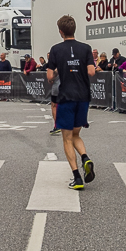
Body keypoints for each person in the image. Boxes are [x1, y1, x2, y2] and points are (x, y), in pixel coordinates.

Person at [47, 14, 96, 191]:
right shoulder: (86, 48)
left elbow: (50, 76)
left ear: (61, 32)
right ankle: (85, 158)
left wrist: (62, 69)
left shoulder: (56, 49)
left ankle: (77, 177)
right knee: (76, 134)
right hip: (83, 96)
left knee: (67, 138)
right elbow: (91, 71)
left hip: (66, 97)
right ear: (74, 29)